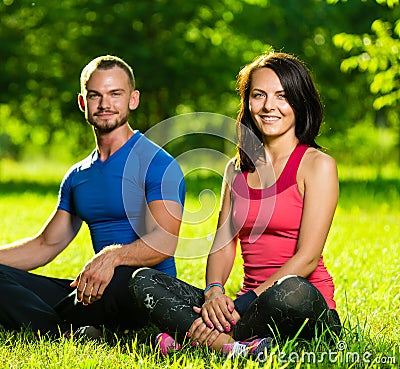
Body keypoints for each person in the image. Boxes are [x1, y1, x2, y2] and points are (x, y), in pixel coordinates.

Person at [129, 51, 341, 359]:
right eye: (259, 95)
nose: (269, 106)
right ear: (247, 102)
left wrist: (240, 307)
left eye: (282, 96)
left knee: (293, 291)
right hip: (240, 307)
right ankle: (236, 347)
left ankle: (200, 337)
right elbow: (223, 243)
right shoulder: (235, 169)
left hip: (294, 303)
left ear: (299, 101)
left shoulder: (317, 165)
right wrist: (214, 290)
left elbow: (307, 259)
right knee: (143, 280)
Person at [0, 55, 185, 338]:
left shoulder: (158, 163)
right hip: (95, 289)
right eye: (95, 95)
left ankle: (48, 324)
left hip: (139, 286)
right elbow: (45, 245)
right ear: (82, 102)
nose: (105, 104)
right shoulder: (78, 175)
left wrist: (113, 256)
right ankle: (69, 330)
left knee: (125, 277)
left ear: (132, 100)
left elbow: (164, 242)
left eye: (115, 94)